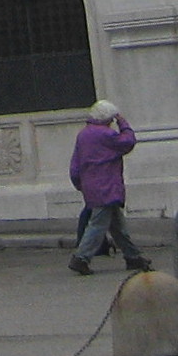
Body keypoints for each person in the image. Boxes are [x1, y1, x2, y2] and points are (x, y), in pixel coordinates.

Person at [67, 99, 150, 274]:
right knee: (98, 225)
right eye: (112, 119)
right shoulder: (106, 135)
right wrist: (122, 122)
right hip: (107, 187)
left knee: (117, 226)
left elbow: (75, 164)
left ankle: (133, 256)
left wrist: (79, 183)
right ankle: (81, 258)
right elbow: (128, 142)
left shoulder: (83, 135)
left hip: (91, 187)